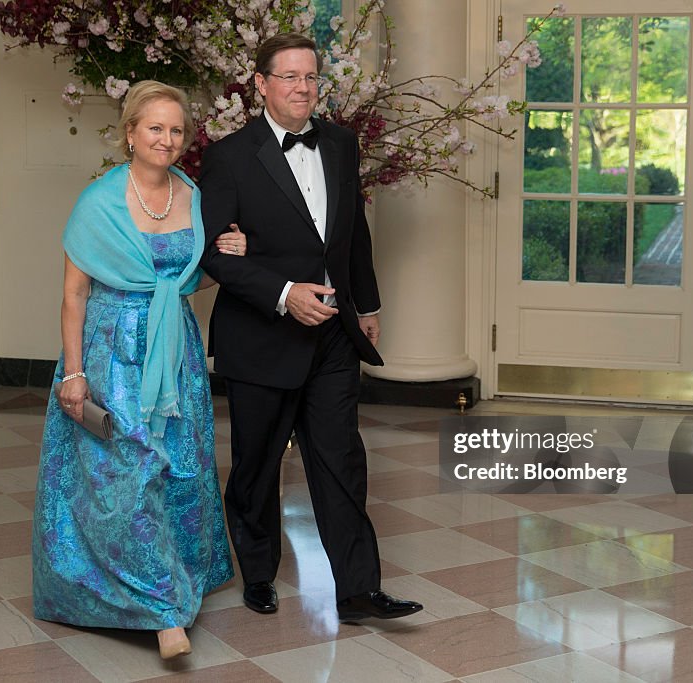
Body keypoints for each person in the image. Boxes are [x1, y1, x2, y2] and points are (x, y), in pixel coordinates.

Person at [199, 33, 423, 622]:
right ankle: (258, 573)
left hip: (331, 335)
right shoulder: (227, 156)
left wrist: (367, 305)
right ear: (261, 85)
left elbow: (354, 233)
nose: (303, 88)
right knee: (256, 466)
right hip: (261, 335)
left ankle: (356, 589)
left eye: (311, 77)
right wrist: (283, 294)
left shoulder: (343, 145)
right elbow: (216, 256)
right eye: (290, 77)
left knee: (341, 459)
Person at [32, 81, 245, 660]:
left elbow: (192, 276)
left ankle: (178, 581)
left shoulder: (193, 196)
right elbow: (74, 295)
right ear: (130, 133)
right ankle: (161, 611)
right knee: (125, 473)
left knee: (177, 467)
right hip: (110, 351)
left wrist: (230, 248)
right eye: (155, 128)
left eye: (177, 131)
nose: (167, 140)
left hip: (175, 351)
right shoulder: (98, 202)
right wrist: (73, 375)